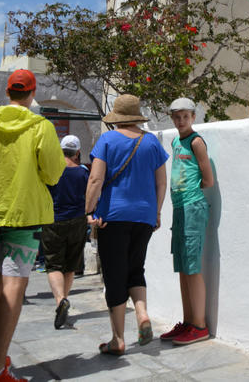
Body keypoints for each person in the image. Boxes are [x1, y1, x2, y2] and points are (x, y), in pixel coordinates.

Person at [0, 69, 66, 382]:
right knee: (14, 285)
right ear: (31, 93)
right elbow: (54, 172)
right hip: (23, 215)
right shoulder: (41, 126)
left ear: (8, 92)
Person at [85, 94, 168, 356]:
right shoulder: (151, 141)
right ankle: (142, 313)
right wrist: (156, 212)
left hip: (113, 216)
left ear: (117, 117)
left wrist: (89, 210)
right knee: (135, 268)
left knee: (114, 275)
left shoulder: (108, 140)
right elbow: (161, 182)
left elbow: (96, 180)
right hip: (144, 216)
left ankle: (118, 339)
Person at [160, 97, 214, 347]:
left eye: (185, 116)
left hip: (193, 207)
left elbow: (208, 180)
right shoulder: (175, 141)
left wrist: (191, 194)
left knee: (192, 267)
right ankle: (188, 321)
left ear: (193, 117)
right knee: (182, 267)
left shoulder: (196, 142)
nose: (181, 121)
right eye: (177, 117)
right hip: (179, 209)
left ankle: (200, 326)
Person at [41, 134, 89, 329]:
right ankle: (64, 300)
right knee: (70, 265)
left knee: (53, 265)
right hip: (77, 221)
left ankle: (60, 300)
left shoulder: (51, 172)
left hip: (54, 220)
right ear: (78, 152)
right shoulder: (83, 173)